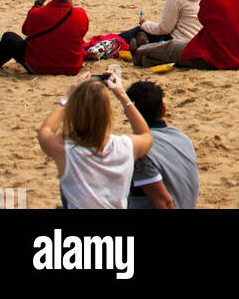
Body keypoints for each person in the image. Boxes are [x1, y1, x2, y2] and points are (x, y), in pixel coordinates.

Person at [37, 70, 153, 209]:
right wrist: (122, 95)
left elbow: (46, 130)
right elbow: (145, 134)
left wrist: (68, 97)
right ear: (108, 113)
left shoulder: (66, 149)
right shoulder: (125, 146)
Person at [0, 0, 89, 75]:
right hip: (72, 67)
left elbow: (26, 30)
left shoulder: (37, 14)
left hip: (38, 67)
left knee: (8, 37)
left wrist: (39, 2)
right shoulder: (81, 14)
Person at [125, 81, 200, 209]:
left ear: (130, 115)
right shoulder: (182, 137)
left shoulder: (142, 151)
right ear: (163, 109)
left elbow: (165, 203)